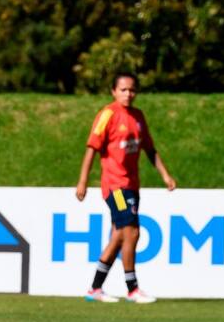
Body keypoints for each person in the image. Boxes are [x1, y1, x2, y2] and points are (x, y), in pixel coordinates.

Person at [75, 72, 176, 303]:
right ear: (113, 91)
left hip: (132, 185)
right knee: (132, 232)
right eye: (123, 89)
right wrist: (83, 181)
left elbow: (150, 149)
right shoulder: (107, 115)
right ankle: (132, 289)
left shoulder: (138, 116)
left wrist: (165, 175)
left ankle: (95, 289)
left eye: (132, 89)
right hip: (115, 186)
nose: (128, 94)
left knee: (119, 235)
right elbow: (91, 148)